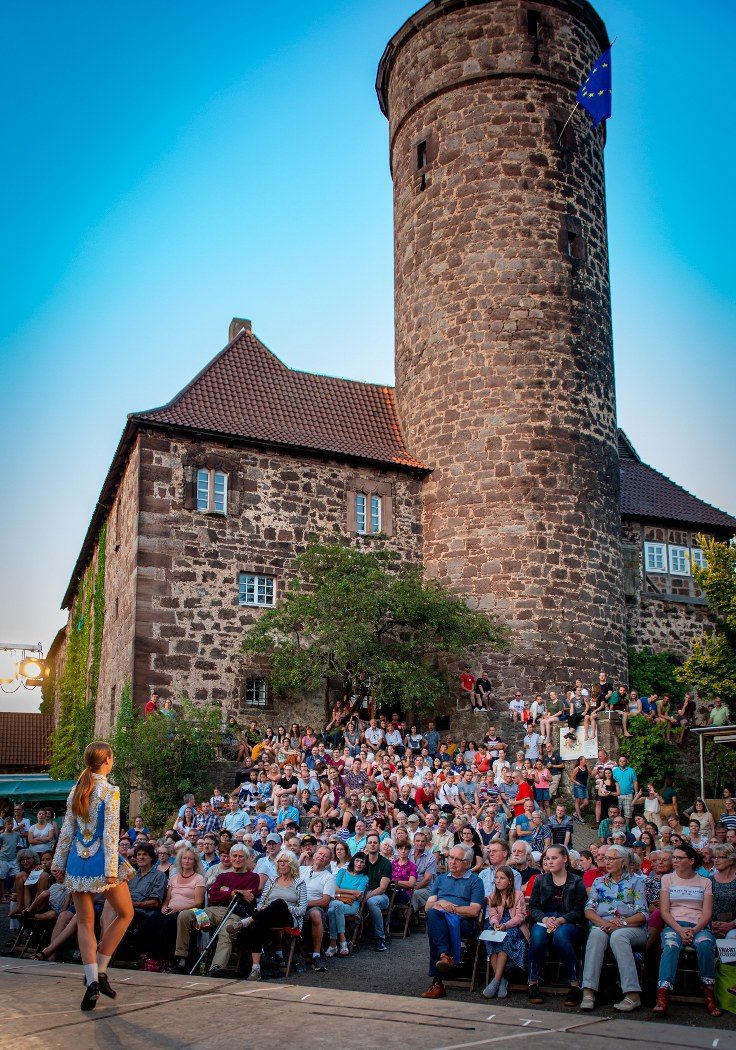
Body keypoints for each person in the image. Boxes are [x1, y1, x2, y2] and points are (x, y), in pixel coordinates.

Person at [51, 741, 134, 1011]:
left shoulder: (77, 789)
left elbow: (67, 830)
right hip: (100, 858)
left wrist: (58, 862)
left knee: (85, 922)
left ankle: (92, 980)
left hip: (77, 857)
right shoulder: (110, 791)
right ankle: (100, 970)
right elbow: (111, 833)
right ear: (107, 760)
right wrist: (111, 871)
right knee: (125, 913)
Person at [654, 840, 721, 1017]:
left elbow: (707, 912)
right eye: (673, 857)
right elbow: (665, 911)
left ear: (691, 861)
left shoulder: (705, 881)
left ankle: (708, 992)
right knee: (670, 946)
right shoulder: (667, 879)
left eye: (679, 858)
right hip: (675, 924)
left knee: (705, 944)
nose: (674, 861)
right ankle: (663, 993)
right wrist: (679, 929)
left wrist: (695, 929)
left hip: (698, 925)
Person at [579, 845, 649, 1012]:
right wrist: (604, 924)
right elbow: (589, 910)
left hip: (631, 926)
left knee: (619, 936)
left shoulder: (637, 881)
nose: (606, 861)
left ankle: (632, 994)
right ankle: (588, 991)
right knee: (596, 935)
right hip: (603, 924)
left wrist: (622, 923)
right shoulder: (599, 882)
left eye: (611, 858)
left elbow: (642, 914)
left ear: (623, 862)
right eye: (606, 858)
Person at [526, 845, 587, 1006]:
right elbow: (533, 907)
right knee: (537, 936)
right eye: (547, 858)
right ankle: (533, 982)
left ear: (565, 858)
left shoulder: (577, 881)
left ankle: (574, 985)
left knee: (561, 936)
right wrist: (546, 919)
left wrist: (561, 920)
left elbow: (580, 909)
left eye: (554, 858)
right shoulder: (540, 880)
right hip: (545, 919)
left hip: (568, 921)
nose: (550, 861)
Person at [422, 844, 485, 999]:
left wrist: (450, 908)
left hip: (465, 923)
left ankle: (438, 982)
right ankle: (444, 955)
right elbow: (428, 906)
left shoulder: (475, 882)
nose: (452, 862)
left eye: (458, 859)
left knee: (436, 925)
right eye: (451, 857)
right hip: (441, 919)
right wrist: (441, 903)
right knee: (433, 915)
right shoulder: (441, 879)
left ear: (467, 863)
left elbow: (474, 911)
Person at [234, 850, 308, 981]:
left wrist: (283, 908)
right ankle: (255, 968)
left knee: (279, 903)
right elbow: (261, 903)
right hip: (268, 917)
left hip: (288, 919)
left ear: (292, 865)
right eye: (280, 862)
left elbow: (302, 910)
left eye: (285, 862)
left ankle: (247, 921)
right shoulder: (272, 880)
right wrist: (269, 908)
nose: (282, 864)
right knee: (258, 924)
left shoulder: (300, 883)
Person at [481, 864, 528, 999]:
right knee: (490, 937)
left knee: (504, 939)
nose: (498, 881)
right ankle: (501, 980)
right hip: (499, 925)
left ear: (510, 881)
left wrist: (506, 925)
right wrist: (495, 923)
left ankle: (495, 980)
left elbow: (521, 916)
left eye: (502, 878)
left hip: (514, 926)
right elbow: (493, 914)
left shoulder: (518, 895)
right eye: (496, 878)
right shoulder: (493, 895)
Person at [300, 845, 336, 972]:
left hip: (314, 906)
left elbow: (325, 901)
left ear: (328, 861)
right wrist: (301, 858)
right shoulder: (302, 869)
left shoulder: (328, 877)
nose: (321, 857)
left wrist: (305, 904)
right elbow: (288, 874)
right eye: (320, 853)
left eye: (325, 856)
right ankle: (278, 953)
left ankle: (316, 955)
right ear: (314, 855)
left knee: (315, 914)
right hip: (295, 904)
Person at [325, 851, 369, 956]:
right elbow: (335, 889)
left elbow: (357, 897)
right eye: (357, 861)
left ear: (365, 865)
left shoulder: (364, 878)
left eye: (362, 862)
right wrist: (352, 892)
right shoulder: (342, 872)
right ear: (353, 861)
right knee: (337, 906)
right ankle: (343, 941)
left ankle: (333, 944)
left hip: (352, 906)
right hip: (338, 902)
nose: (359, 864)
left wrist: (340, 893)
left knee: (332, 909)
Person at [363, 832, 392, 952]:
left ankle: (380, 938)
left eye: (375, 842)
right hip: (363, 893)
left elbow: (382, 888)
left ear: (379, 845)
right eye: (370, 843)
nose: (372, 845)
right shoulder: (362, 861)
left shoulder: (386, 863)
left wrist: (366, 896)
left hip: (382, 896)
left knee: (372, 902)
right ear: (366, 846)